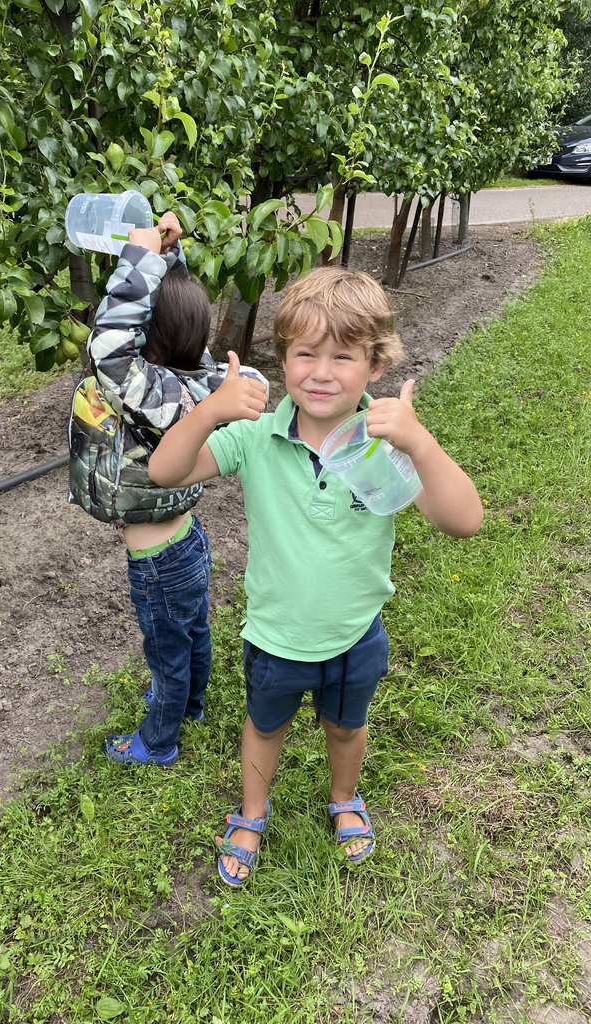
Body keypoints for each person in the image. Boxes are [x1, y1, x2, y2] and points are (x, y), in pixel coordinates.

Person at [148, 264, 483, 885]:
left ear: (376, 366)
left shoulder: (381, 443)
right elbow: (166, 472)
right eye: (305, 353)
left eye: (343, 356)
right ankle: (251, 814)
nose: (321, 372)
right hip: (276, 636)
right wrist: (209, 412)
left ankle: (345, 798)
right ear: (283, 358)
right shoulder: (254, 437)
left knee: (345, 727)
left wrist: (421, 444)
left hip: (356, 633)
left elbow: (464, 520)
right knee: (264, 727)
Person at [71, 211, 267, 767]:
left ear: (143, 342)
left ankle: (159, 740)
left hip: (156, 559)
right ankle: (194, 705)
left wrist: (139, 261)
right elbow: (172, 327)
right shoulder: (196, 382)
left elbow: (109, 348)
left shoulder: (151, 389)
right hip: (187, 543)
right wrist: (167, 259)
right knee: (193, 631)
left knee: (166, 653)